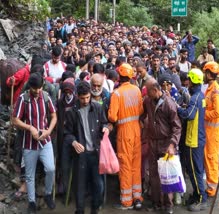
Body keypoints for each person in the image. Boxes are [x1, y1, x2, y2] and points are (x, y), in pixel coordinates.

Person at [12, 73, 57, 214]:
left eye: (39, 88)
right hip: (29, 143)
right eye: (34, 88)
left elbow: (54, 115)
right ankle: (31, 201)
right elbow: (15, 120)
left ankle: (48, 193)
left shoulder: (46, 97)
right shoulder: (23, 99)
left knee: (50, 169)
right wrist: (29, 127)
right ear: (30, 86)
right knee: (29, 175)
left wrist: (49, 130)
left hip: (45, 141)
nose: (37, 91)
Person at [64, 81, 109, 214]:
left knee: (99, 186)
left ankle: (95, 208)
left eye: (88, 97)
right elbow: (67, 133)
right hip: (80, 156)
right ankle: (80, 210)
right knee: (80, 188)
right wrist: (74, 142)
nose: (85, 101)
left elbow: (104, 123)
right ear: (78, 96)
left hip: (96, 153)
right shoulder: (71, 112)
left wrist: (105, 129)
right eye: (83, 98)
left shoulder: (97, 108)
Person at [140, 78, 181, 214]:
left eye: (148, 91)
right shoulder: (148, 101)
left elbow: (177, 127)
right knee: (153, 175)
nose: (146, 94)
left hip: (166, 144)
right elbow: (143, 115)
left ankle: (168, 206)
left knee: (167, 176)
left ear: (155, 90)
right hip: (153, 142)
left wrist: (172, 144)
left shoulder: (169, 104)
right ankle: (156, 203)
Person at [108, 63, 144, 210]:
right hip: (136, 130)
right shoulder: (137, 90)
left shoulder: (116, 94)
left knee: (125, 165)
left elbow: (112, 117)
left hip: (124, 132)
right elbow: (141, 110)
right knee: (136, 164)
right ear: (130, 76)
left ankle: (126, 201)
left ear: (119, 77)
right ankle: (137, 197)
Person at [177, 68, 207, 212]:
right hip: (197, 138)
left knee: (195, 171)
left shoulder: (195, 98)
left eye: (189, 79)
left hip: (193, 139)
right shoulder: (199, 95)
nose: (187, 82)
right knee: (195, 169)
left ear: (193, 81)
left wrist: (178, 108)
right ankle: (196, 195)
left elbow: (188, 114)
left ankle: (201, 199)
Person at [202, 62, 219, 197]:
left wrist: (202, 112)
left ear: (209, 74)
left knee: (211, 159)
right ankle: (210, 186)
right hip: (208, 131)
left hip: (213, 133)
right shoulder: (210, 88)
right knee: (208, 159)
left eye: (205, 73)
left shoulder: (215, 90)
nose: (204, 75)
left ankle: (212, 189)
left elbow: (217, 112)